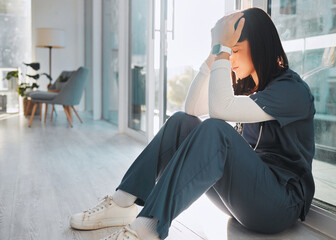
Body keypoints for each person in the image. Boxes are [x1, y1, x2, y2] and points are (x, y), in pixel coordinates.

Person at [70, 7, 315, 240]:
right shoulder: (251, 87)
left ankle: (147, 228)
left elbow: (219, 111)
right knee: (181, 122)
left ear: (260, 47)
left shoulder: (291, 90)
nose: (229, 59)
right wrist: (214, 53)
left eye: (235, 50)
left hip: (279, 205)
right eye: (228, 51)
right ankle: (123, 202)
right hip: (246, 199)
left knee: (215, 130)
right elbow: (192, 109)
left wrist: (222, 50)